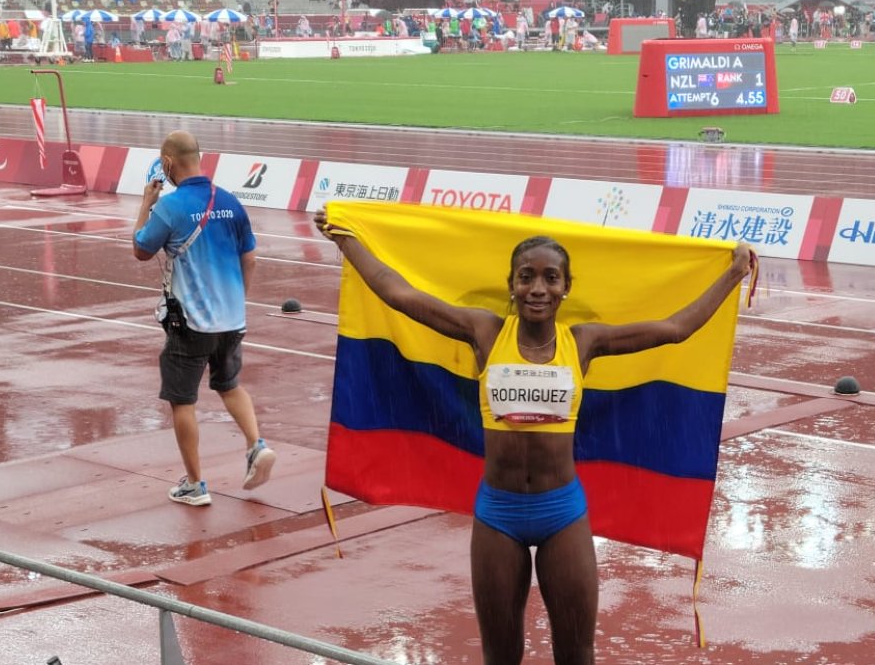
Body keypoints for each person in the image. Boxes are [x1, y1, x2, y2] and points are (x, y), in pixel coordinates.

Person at [313, 210, 755, 665]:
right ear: (511, 284)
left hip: (561, 511)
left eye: (550, 278)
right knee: (500, 655)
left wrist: (733, 275)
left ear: (566, 287)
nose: (538, 289)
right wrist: (345, 239)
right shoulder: (485, 332)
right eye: (527, 277)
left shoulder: (583, 342)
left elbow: (675, 329)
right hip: (498, 513)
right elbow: (397, 292)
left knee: (576, 653)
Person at [132, 131, 277, 507]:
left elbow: (141, 249)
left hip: (191, 323)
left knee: (183, 401)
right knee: (230, 385)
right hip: (232, 319)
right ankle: (256, 444)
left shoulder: (170, 208)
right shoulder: (230, 202)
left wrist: (146, 203)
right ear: (200, 158)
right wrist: (238, 299)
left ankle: (195, 484)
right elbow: (251, 258)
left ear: (166, 164)